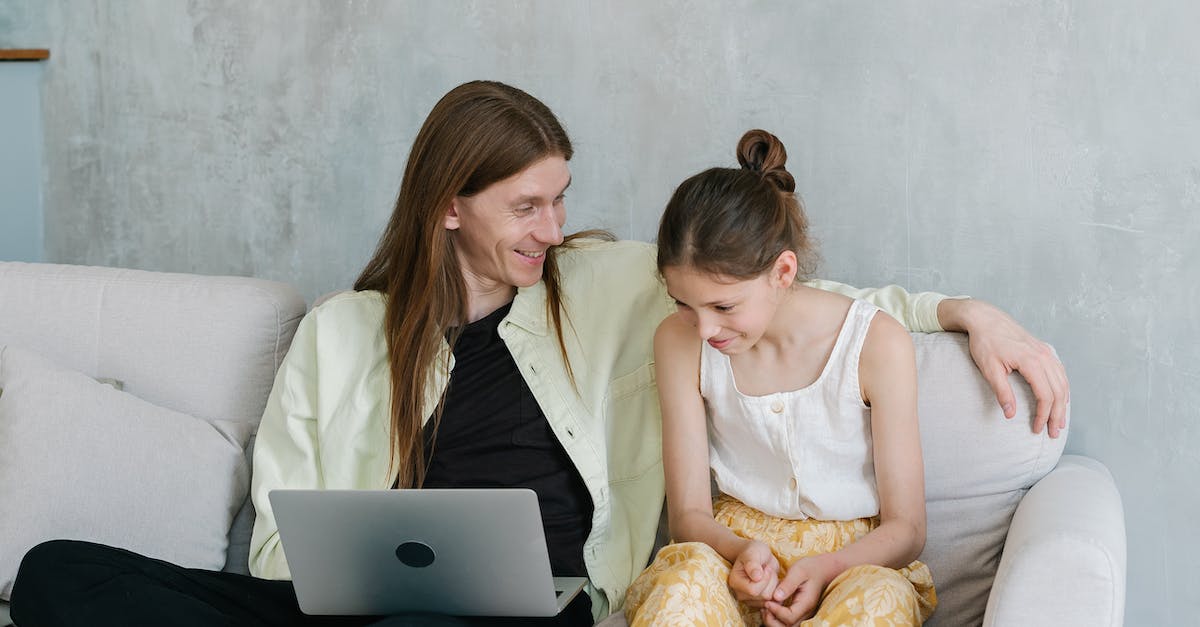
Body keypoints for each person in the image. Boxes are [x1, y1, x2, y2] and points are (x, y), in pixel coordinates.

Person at [9, 81, 1065, 627]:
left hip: (541, 607)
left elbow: (783, 289)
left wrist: (966, 311)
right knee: (56, 575)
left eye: (559, 198)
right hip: (348, 606)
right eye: (527, 205)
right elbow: (284, 547)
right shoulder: (337, 335)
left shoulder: (604, 284)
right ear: (448, 207)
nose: (553, 227)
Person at [624, 129, 939, 627]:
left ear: (784, 271)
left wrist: (825, 569)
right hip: (733, 553)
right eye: (683, 303)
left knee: (878, 606)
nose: (704, 329)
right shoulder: (677, 342)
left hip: (854, 561)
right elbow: (689, 516)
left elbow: (908, 528)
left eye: (724, 305)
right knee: (676, 594)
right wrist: (741, 553)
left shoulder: (877, 344)